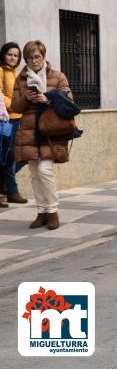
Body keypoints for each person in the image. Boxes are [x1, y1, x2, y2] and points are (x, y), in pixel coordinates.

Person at [12, 40, 72, 230]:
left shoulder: (57, 76)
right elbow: (14, 106)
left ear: (43, 56)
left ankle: (52, 211)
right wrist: (26, 98)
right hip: (29, 130)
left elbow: (69, 102)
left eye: (36, 56)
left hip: (50, 130)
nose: (33, 61)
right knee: (34, 174)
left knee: (45, 171)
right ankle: (41, 212)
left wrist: (48, 98)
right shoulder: (21, 79)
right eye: (29, 57)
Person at [0, 42, 28, 207]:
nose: (13, 57)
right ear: (4, 55)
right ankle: (12, 190)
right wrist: (17, 104)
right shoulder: (1, 71)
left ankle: (5, 185)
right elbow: (1, 96)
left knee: (20, 156)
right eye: (10, 54)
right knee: (7, 156)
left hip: (18, 118)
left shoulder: (17, 74)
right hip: (4, 119)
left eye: (16, 55)